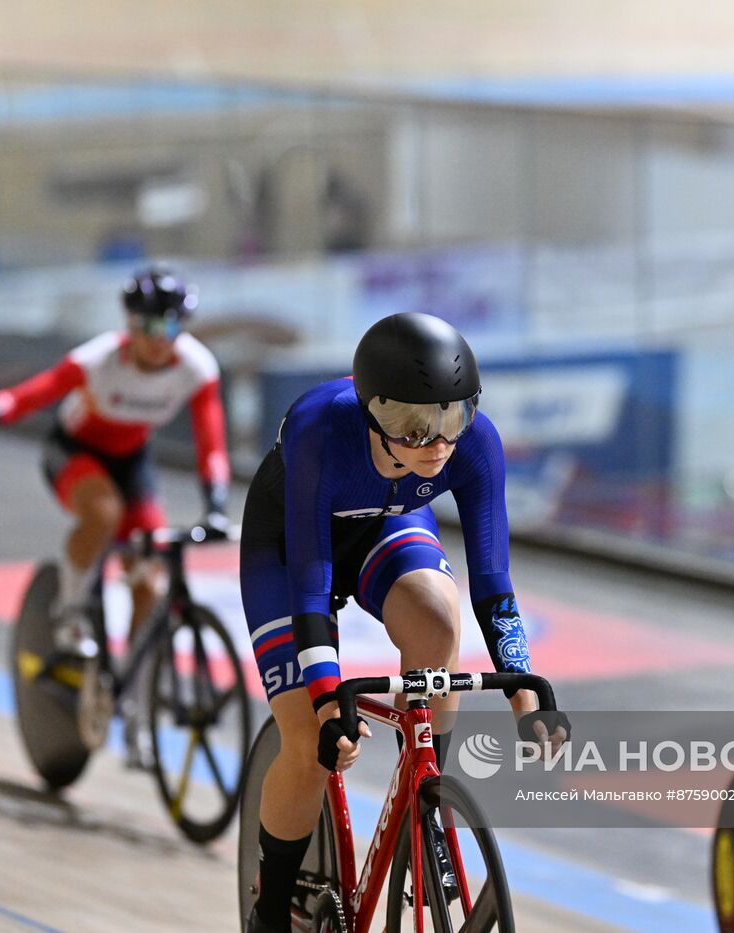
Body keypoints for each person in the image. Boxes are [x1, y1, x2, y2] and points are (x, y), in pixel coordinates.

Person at [239, 312, 567, 933]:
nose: (437, 443)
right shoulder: (320, 426)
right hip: (290, 549)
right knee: (310, 743)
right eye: (414, 426)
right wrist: (326, 699)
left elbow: (493, 589)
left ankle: (426, 797)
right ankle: (271, 908)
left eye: (452, 418)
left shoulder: (475, 444)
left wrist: (526, 693)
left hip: (386, 526)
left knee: (439, 624)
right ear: (373, 413)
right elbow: (311, 586)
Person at [0, 265, 230, 766]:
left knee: (150, 579)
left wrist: (216, 502)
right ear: (130, 325)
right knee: (103, 513)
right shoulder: (98, 359)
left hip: (131, 462)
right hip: (74, 452)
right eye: (152, 328)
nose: (163, 340)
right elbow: (37, 393)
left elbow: (211, 439)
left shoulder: (197, 368)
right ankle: (69, 613)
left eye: (173, 327)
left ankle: (134, 698)